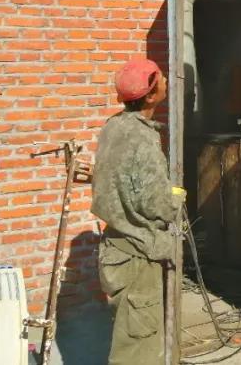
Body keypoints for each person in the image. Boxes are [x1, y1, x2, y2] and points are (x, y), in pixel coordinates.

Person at [92, 58, 182, 365]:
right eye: (162, 78)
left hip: (115, 249)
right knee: (138, 349)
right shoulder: (143, 138)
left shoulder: (114, 126)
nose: (167, 80)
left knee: (128, 332)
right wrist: (175, 199)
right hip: (137, 254)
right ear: (151, 96)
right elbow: (156, 204)